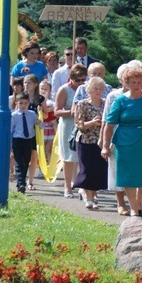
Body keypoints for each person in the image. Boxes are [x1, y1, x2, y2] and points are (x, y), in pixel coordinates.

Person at [102, 66, 142, 217]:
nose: (136, 85)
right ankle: (134, 208)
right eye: (133, 82)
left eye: (139, 82)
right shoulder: (120, 100)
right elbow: (109, 125)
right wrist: (105, 146)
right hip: (124, 141)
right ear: (126, 83)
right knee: (127, 175)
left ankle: (137, 201)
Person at [101, 64, 132, 215]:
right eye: (126, 77)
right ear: (121, 79)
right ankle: (121, 204)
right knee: (116, 171)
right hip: (116, 137)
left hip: (136, 139)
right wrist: (103, 142)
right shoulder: (113, 96)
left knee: (134, 171)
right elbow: (105, 120)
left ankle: (136, 203)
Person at [73, 77, 108, 210]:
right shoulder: (82, 104)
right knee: (87, 170)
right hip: (85, 141)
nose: (98, 91)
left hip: (101, 141)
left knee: (97, 171)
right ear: (89, 90)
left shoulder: (106, 104)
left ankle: (93, 197)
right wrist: (92, 122)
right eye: (95, 88)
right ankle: (89, 199)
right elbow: (79, 125)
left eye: (100, 89)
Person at [55, 64, 87, 198]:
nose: (80, 83)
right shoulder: (64, 90)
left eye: (82, 80)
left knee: (82, 157)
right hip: (68, 125)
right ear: (71, 78)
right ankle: (67, 187)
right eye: (77, 80)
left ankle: (80, 185)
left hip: (82, 126)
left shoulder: (86, 89)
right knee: (68, 158)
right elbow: (57, 111)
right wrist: (71, 112)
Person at [10, 93, 40, 193]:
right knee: (18, 161)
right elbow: (11, 129)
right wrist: (10, 144)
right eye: (21, 103)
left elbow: (41, 126)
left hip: (28, 140)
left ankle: (20, 183)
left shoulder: (32, 114)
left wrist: (39, 122)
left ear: (29, 103)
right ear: (16, 104)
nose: (23, 105)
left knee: (26, 161)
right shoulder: (14, 115)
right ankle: (22, 182)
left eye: (26, 103)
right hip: (17, 139)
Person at [22, 74, 46, 190]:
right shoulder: (22, 97)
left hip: (35, 130)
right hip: (22, 130)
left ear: (35, 85)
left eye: (29, 83)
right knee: (22, 155)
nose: (26, 85)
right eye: (25, 83)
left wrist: (41, 112)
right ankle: (20, 177)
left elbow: (46, 115)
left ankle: (30, 181)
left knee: (33, 156)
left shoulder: (40, 99)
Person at [38, 80, 56, 165]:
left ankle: (50, 166)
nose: (43, 91)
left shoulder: (52, 103)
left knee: (49, 148)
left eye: (46, 89)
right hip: (40, 128)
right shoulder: (36, 102)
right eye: (41, 88)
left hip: (50, 128)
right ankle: (42, 167)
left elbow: (54, 116)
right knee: (41, 148)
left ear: (50, 91)